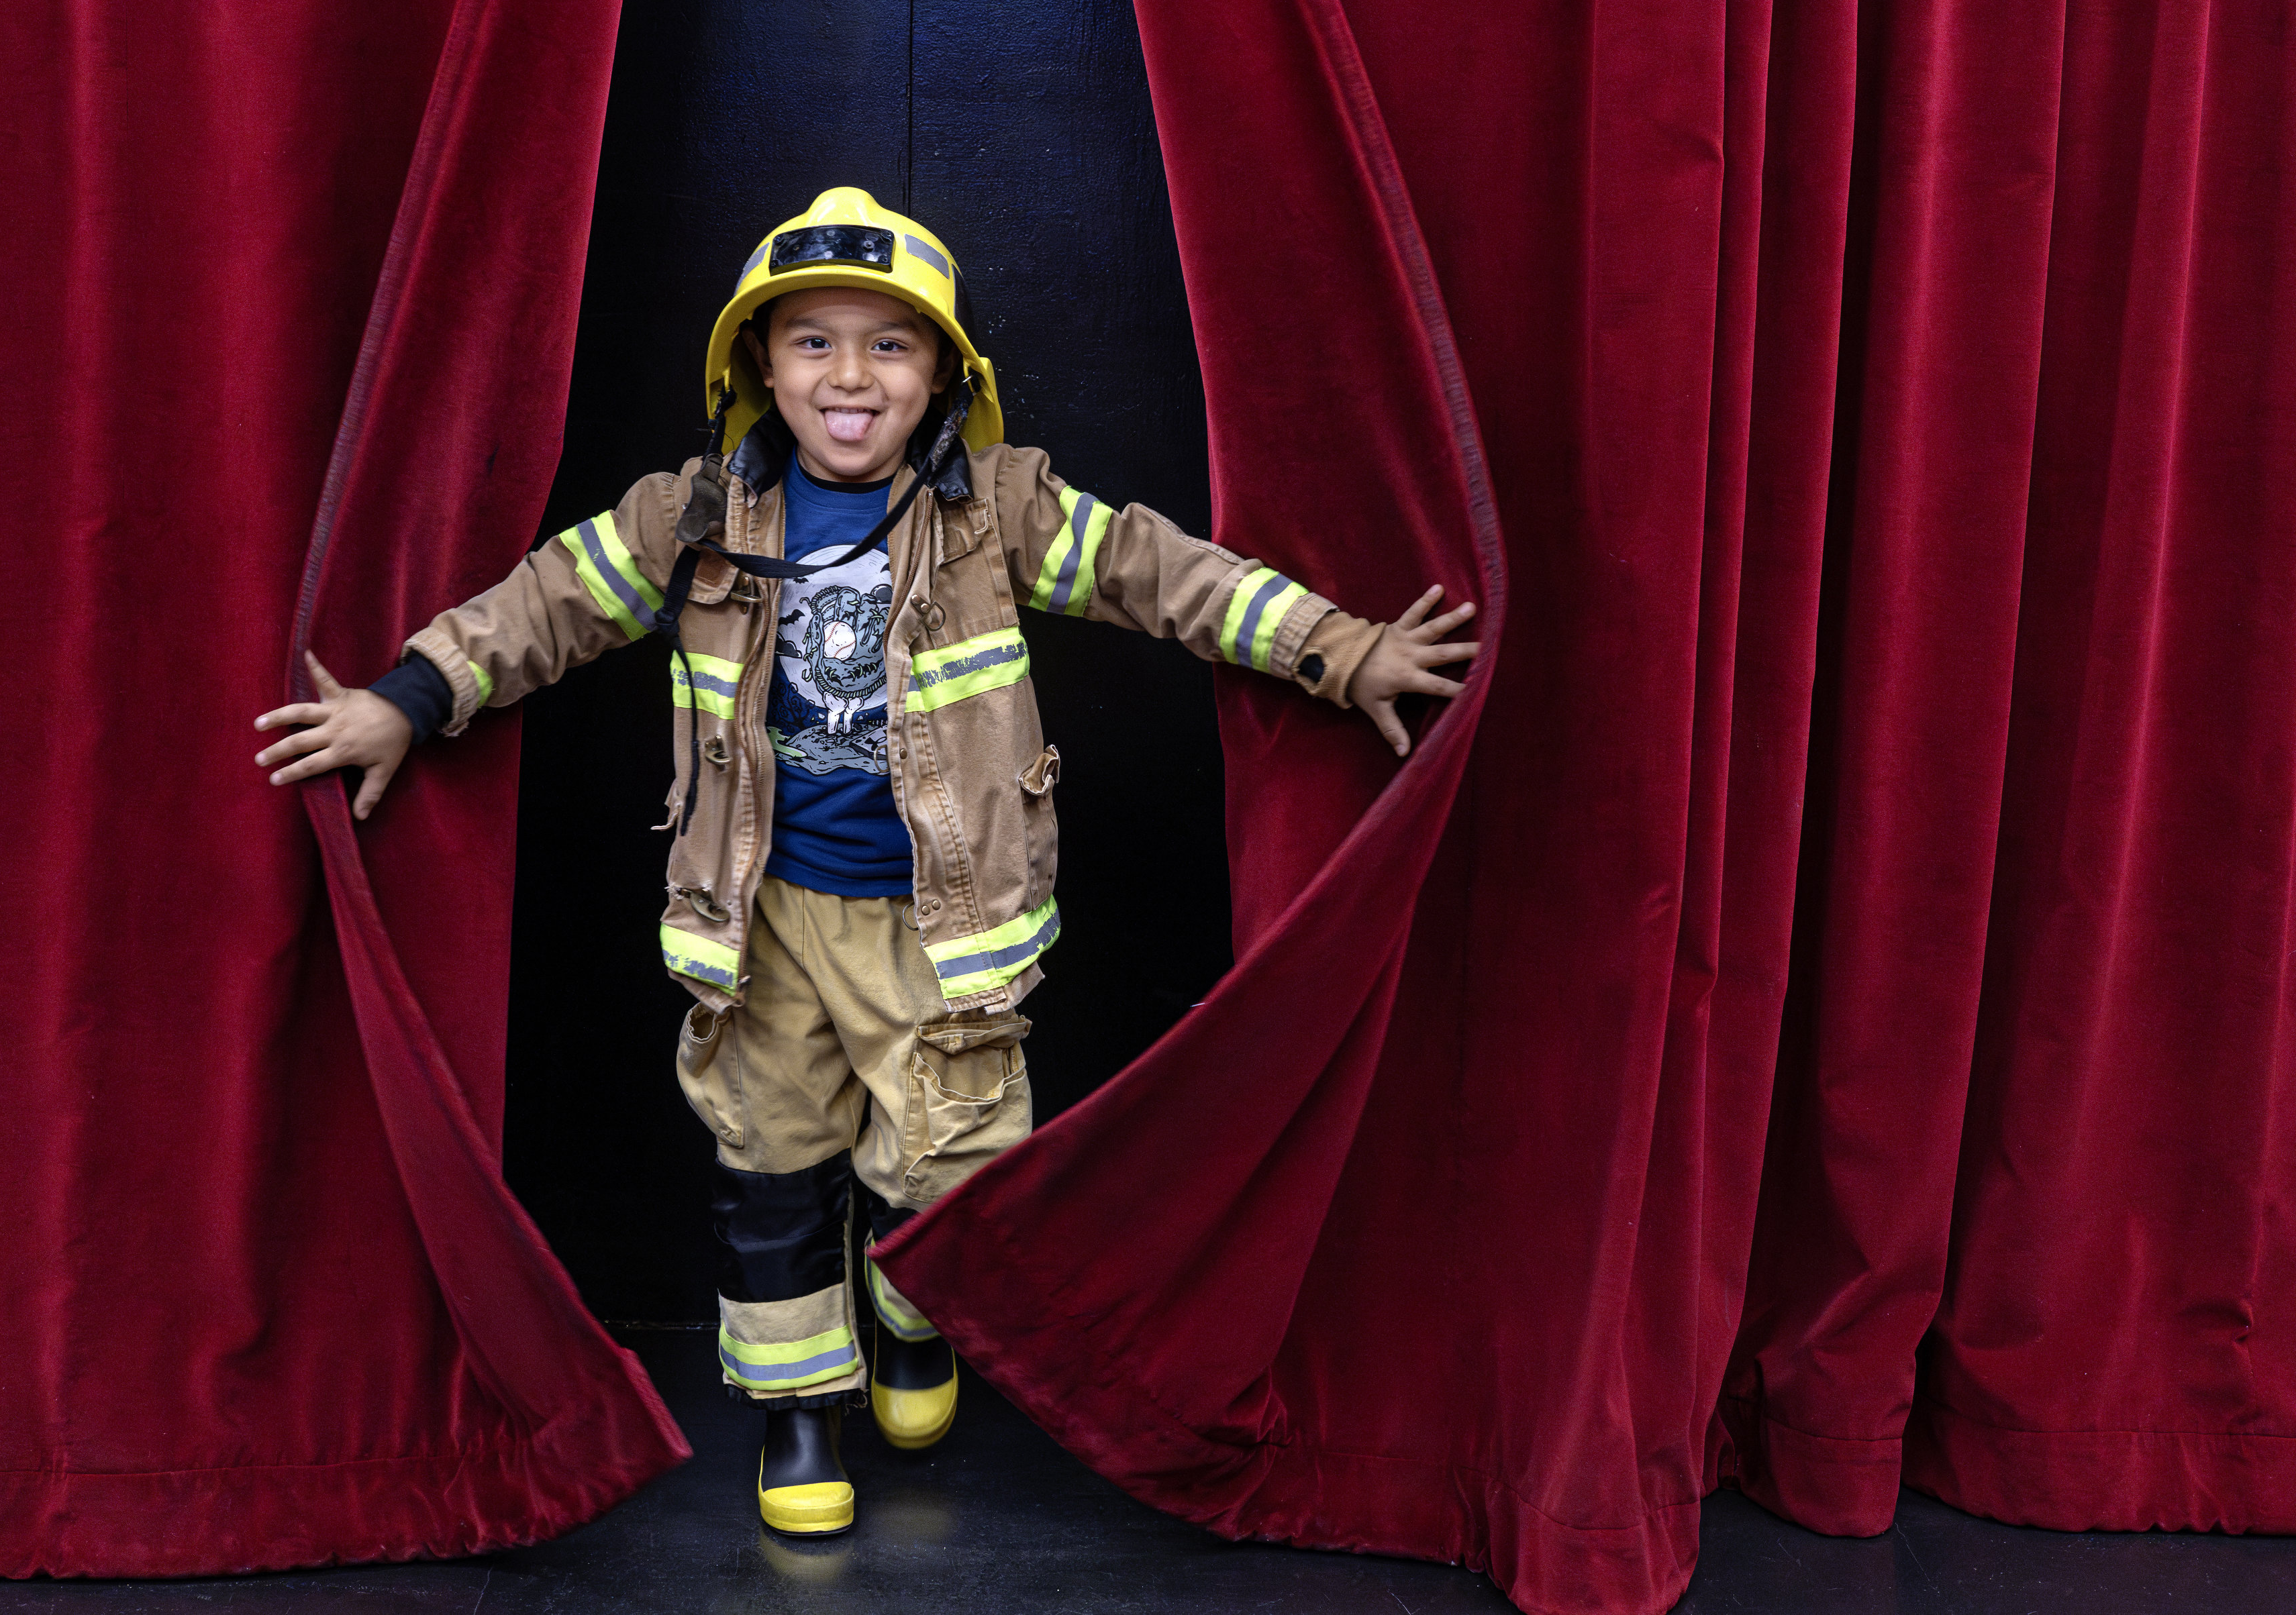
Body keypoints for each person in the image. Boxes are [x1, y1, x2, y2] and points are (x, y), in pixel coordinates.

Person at [252, 189, 1478, 1536]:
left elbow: (1165, 574)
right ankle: (796, 1415)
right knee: (770, 1166)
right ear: (758, 372)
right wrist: (406, 699)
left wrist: (1337, 645)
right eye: (812, 344)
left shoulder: (994, 513)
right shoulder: (694, 517)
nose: (849, 378)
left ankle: (912, 1313)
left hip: (941, 932)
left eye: (890, 347)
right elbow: (540, 605)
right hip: (759, 925)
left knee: (947, 1172)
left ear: (944, 375)